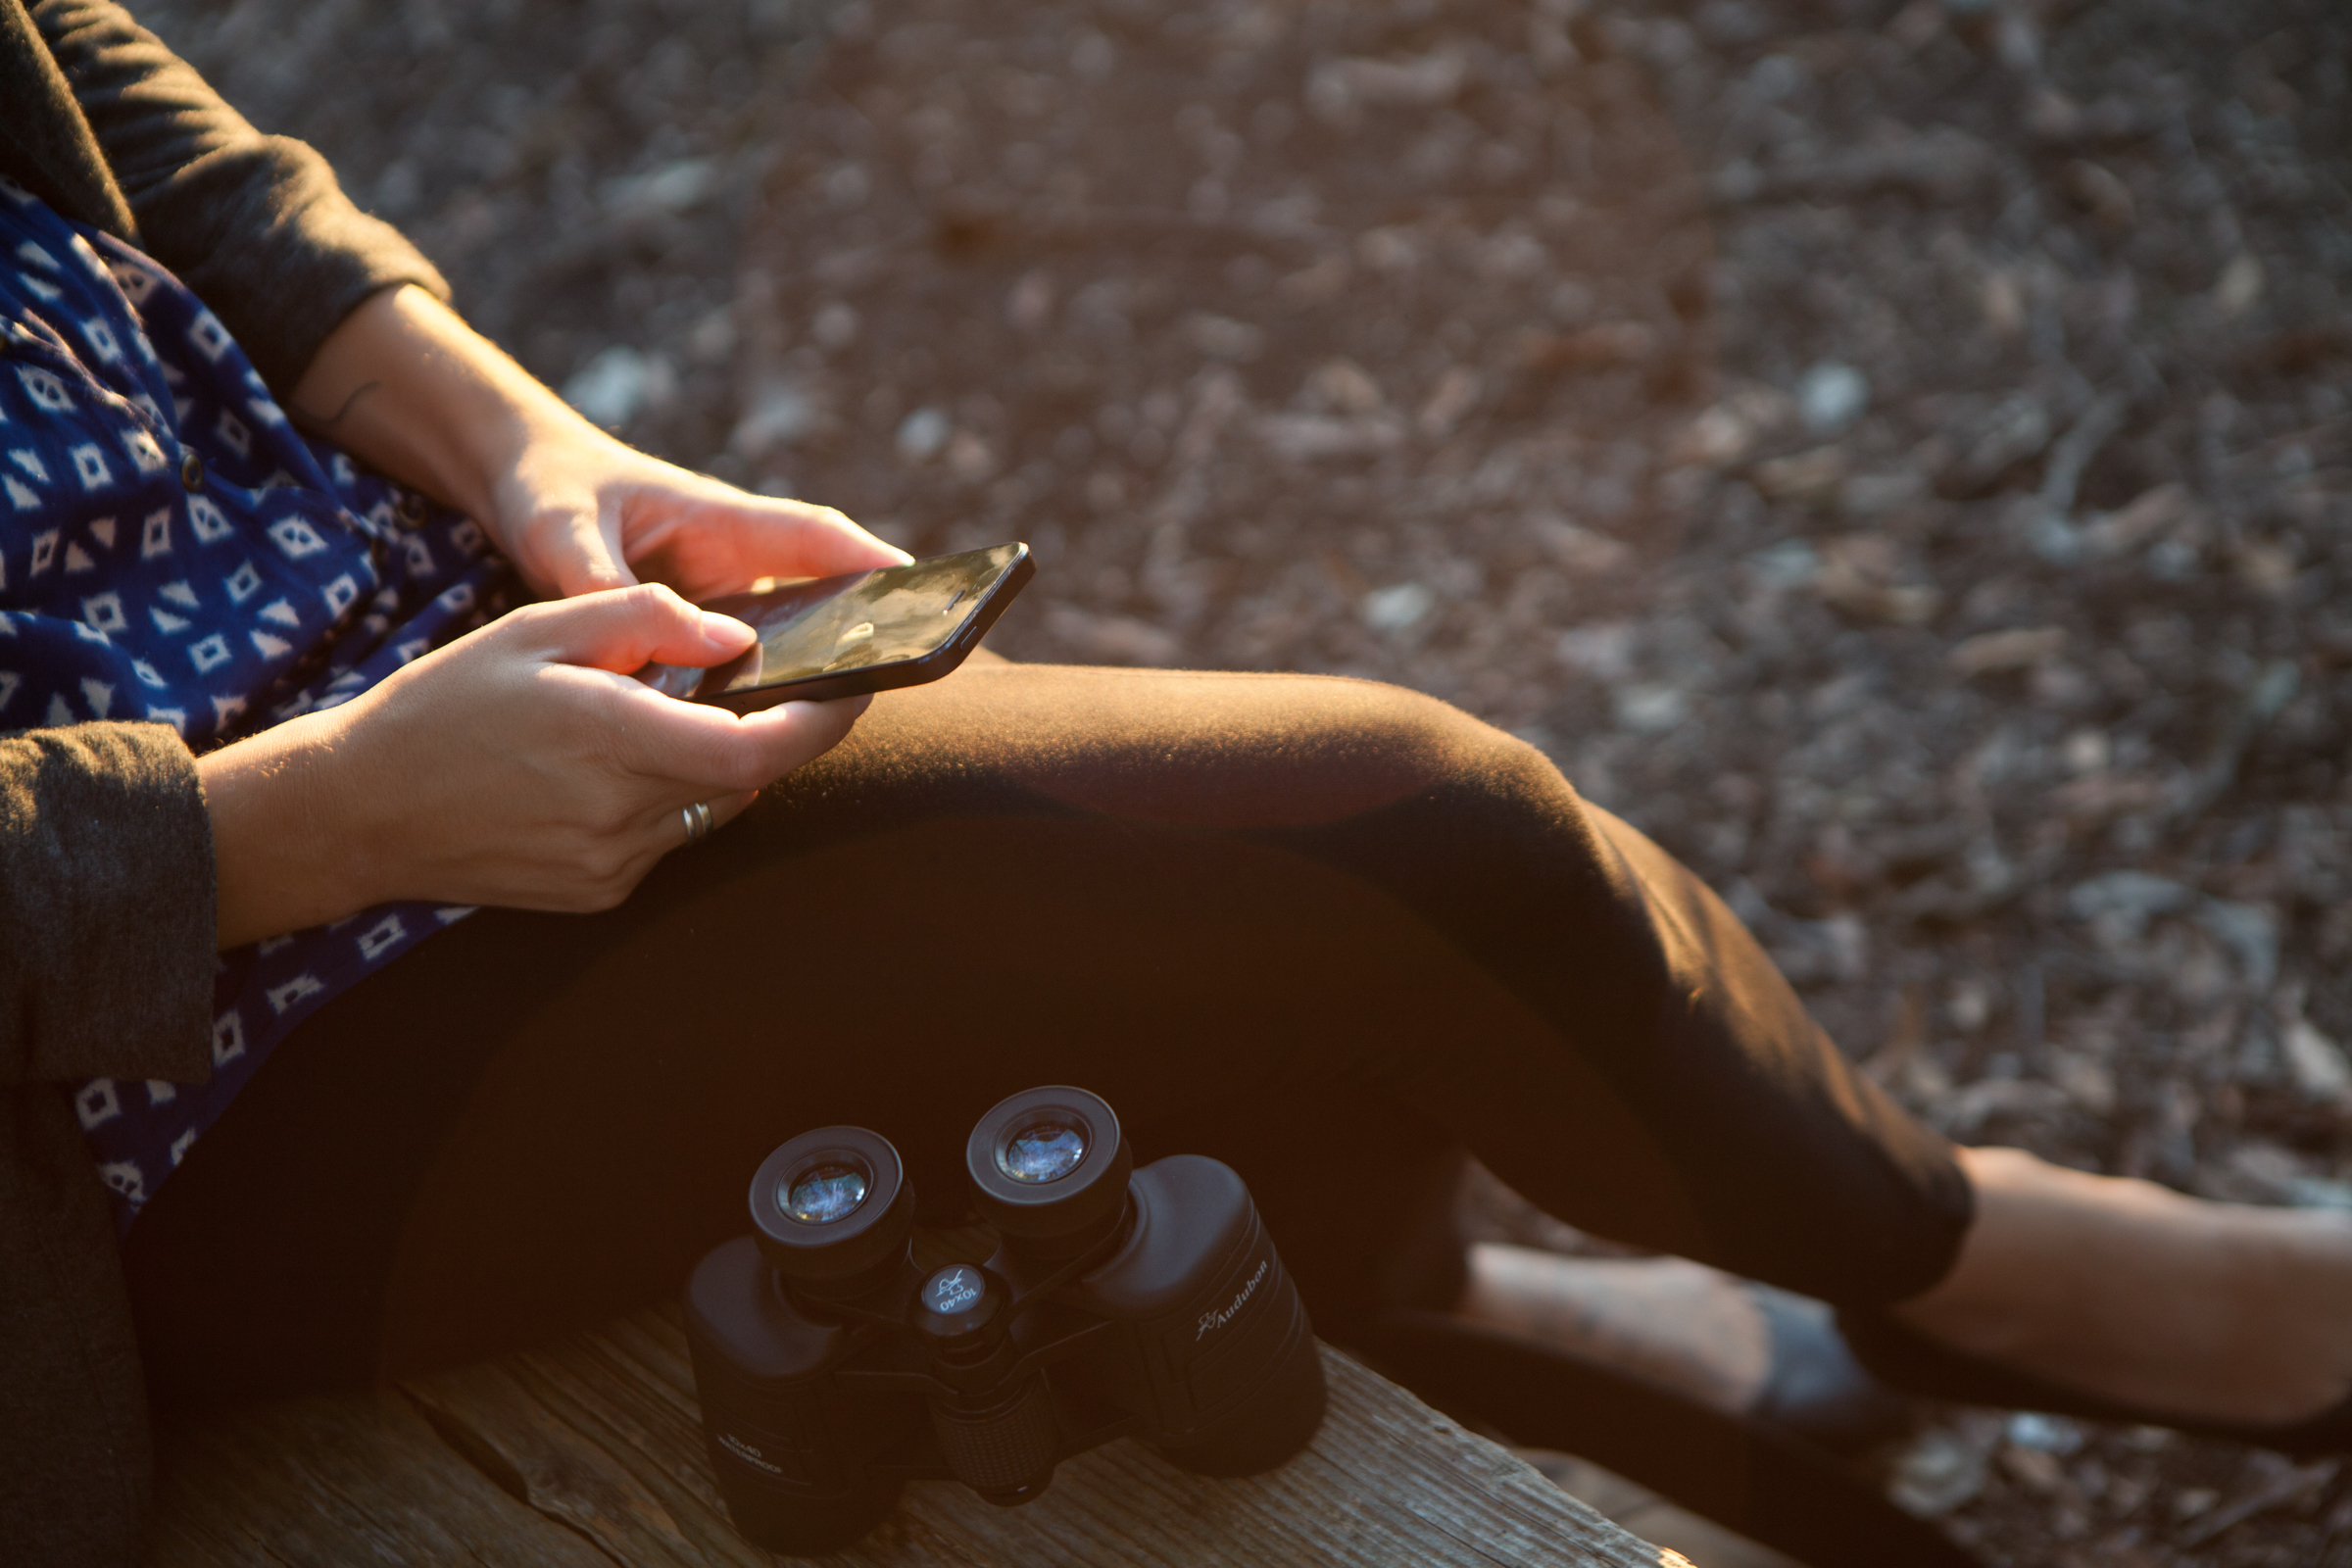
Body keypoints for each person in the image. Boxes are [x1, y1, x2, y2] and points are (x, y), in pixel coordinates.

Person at [7, 3, 2352, 1563]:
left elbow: (107, 96)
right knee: (1392, 833)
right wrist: (292, 828)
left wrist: (529, 447)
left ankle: (1504, 1308)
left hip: (417, 630)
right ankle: (1985, 1272)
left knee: (1168, 944)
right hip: (157, 1061)